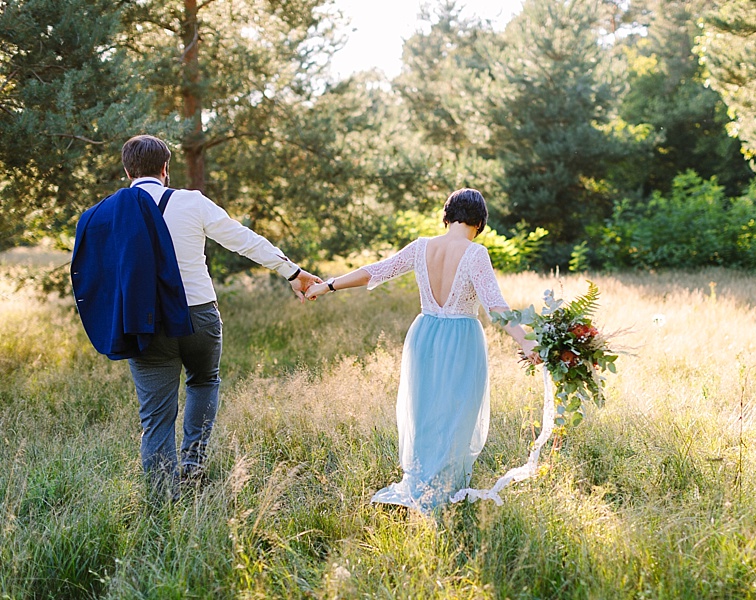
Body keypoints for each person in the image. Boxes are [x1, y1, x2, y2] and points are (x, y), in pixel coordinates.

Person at [76, 134, 320, 497]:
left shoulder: (104, 214)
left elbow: (94, 272)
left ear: (127, 170)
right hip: (198, 317)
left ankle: (162, 495)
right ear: (165, 169)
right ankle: (192, 466)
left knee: (156, 414)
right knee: (204, 382)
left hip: (144, 322)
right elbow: (244, 239)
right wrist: (294, 273)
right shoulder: (191, 202)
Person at [306, 188, 539, 512]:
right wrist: (525, 341)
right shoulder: (475, 253)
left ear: (447, 216)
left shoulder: (421, 248)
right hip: (461, 339)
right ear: (480, 222)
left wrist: (328, 284)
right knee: (455, 415)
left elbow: (376, 271)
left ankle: (424, 485)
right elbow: (496, 307)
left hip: (425, 334)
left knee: (426, 412)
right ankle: (439, 493)